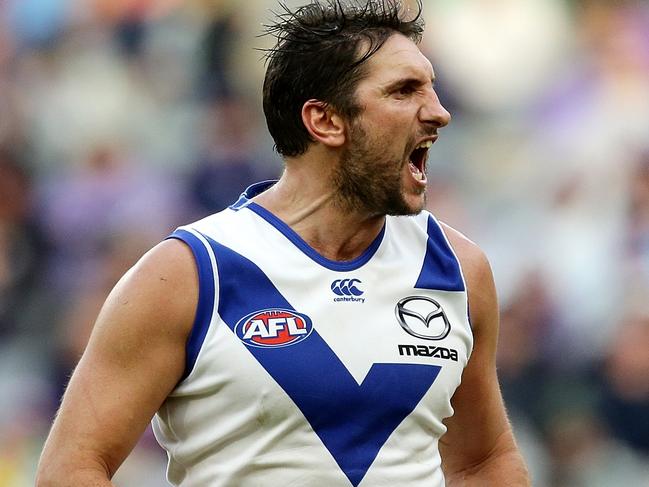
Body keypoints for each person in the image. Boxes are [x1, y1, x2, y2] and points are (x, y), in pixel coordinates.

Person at [37, 1, 530, 485]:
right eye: (404, 91)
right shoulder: (190, 274)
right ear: (326, 121)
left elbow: (482, 462)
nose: (440, 113)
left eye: (432, 87)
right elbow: (73, 465)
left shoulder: (458, 269)